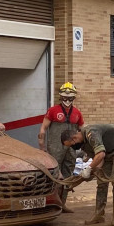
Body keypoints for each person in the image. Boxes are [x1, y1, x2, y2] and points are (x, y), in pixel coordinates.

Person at [62, 124, 114, 226]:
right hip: (106, 153)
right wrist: (88, 173)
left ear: (74, 138)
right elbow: (99, 161)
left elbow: (100, 154)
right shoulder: (84, 144)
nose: (72, 147)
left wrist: (88, 169)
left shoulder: (91, 133)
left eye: (71, 144)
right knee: (101, 182)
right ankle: (99, 215)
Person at [38, 82, 84, 213]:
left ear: (74, 98)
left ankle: (62, 203)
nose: (67, 100)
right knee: (54, 175)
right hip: (55, 147)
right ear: (60, 97)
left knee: (68, 175)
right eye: (65, 97)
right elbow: (43, 128)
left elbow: (82, 130)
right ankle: (51, 204)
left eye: (70, 98)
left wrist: (86, 147)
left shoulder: (77, 113)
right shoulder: (53, 111)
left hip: (71, 148)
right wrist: (42, 147)